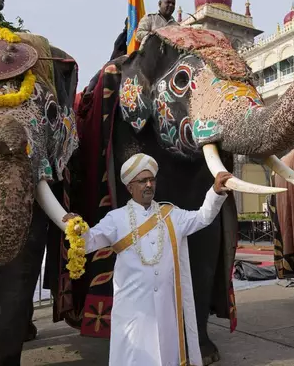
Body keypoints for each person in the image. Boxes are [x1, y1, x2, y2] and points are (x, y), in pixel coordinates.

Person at [63, 153, 232, 366]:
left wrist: (215, 192)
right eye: (142, 181)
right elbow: (90, 242)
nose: (149, 185)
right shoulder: (116, 218)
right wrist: (75, 228)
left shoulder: (171, 214)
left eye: (152, 179)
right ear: (129, 187)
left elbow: (202, 218)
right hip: (133, 312)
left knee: (166, 356)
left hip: (165, 310)